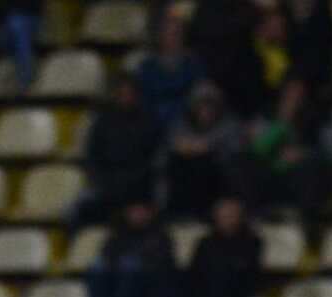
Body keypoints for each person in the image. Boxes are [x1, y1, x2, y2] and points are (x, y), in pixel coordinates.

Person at [249, 76, 332, 235]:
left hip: (304, 179)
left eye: (300, 95)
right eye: (290, 94)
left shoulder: (322, 119)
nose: (294, 100)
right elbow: (258, 151)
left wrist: (304, 154)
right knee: (238, 162)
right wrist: (282, 124)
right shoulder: (268, 116)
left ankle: (305, 222)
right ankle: (256, 213)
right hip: (274, 177)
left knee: (314, 166)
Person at [71, 73, 161, 228]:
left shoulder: (148, 122)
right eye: (121, 94)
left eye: (129, 94)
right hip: (106, 186)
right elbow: (92, 157)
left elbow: (152, 161)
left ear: (136, 96)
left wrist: (127, 184)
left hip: (137, 190)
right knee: (73, 211)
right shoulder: (103, 120)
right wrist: (102, 183)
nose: (125, 98)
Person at [86, 200, 182, 297]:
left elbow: (157, 265)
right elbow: (108, 254)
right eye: (133, 210)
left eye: (140, 210)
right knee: (97, 267)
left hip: (146, 290)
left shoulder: (160, 235)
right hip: (116, 279)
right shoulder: (119, 233)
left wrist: (128, 261)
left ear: (150, 212)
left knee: (129, 266)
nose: (136, 214)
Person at [163, 83, 248, 220]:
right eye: (201, 107)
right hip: (188, 174)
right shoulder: (182, 125)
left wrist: (208, 147)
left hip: (221, 176)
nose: (206, 111)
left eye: (210, 107)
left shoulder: (230, 124)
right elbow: (176, 145)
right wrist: (196, 148)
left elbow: (236, 149)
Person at [184, 195, 262, 297]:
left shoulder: (252, 244)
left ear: (241, 215)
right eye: (224, 213)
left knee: (222, 274)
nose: (228, 217)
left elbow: (249, 275)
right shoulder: (205, 243)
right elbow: (195, 273)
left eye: (232, 213)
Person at [136, 6, 207, 132]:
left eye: (176, 34)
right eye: (168, 34)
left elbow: (197, 94)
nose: (172, 38)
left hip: (187, 120)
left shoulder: (192, 64)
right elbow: (144, 96)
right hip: (152, 120)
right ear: (160, 36)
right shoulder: (148, 66)